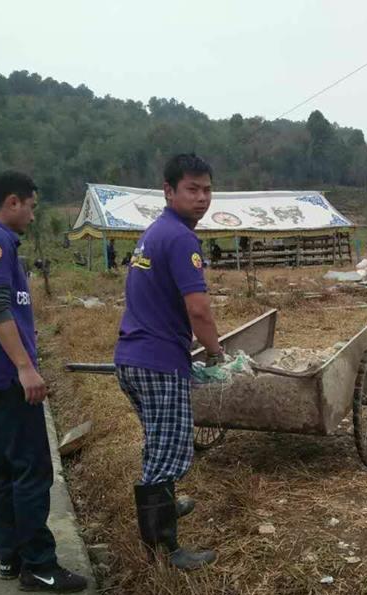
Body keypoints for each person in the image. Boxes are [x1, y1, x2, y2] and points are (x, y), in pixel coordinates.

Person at [0, 170, 87, 593]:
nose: (32, 216)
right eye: (31, 207)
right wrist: (25, 366)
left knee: (3, 467)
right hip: (5, 375)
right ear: (13, 202)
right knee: (32, 468)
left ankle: (10, 557)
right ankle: (39, 565)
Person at [114, 153, 222, 571]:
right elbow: (199, 310)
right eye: (192, 189)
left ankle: (164, 511)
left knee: (158, 443)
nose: (201, 198)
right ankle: (164, 549)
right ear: (168, 191)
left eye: (207, 189)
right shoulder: (179, 238)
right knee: (169, 451)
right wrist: (216, 352)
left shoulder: (155, 232)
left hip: (133, 357)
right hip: (158, 362)